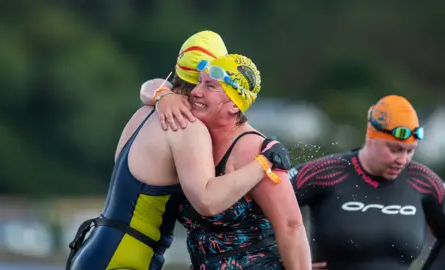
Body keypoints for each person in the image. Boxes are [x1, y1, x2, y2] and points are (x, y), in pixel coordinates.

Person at [66, 31, 291, 270]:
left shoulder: (145, 111)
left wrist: (162, 93)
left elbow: (151, 87)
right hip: (127, 258)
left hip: (94, 249)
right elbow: (207, 201)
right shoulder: (185, 126)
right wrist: (265, 162)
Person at [142, 54, 312, 269]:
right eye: (199, 82)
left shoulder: (255, 150)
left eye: (210, 86)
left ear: (234, 105)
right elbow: (148, 88)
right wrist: (163, 96)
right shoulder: (196, 140)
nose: (196, 91)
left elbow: (291, 226)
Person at [285, 95, 445, 270]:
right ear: (370, 137)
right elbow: (257, 209)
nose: (403, 160)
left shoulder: (423, 181)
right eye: (395, 149)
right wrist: (286, 263)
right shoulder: (327, 172)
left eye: (410, 151)